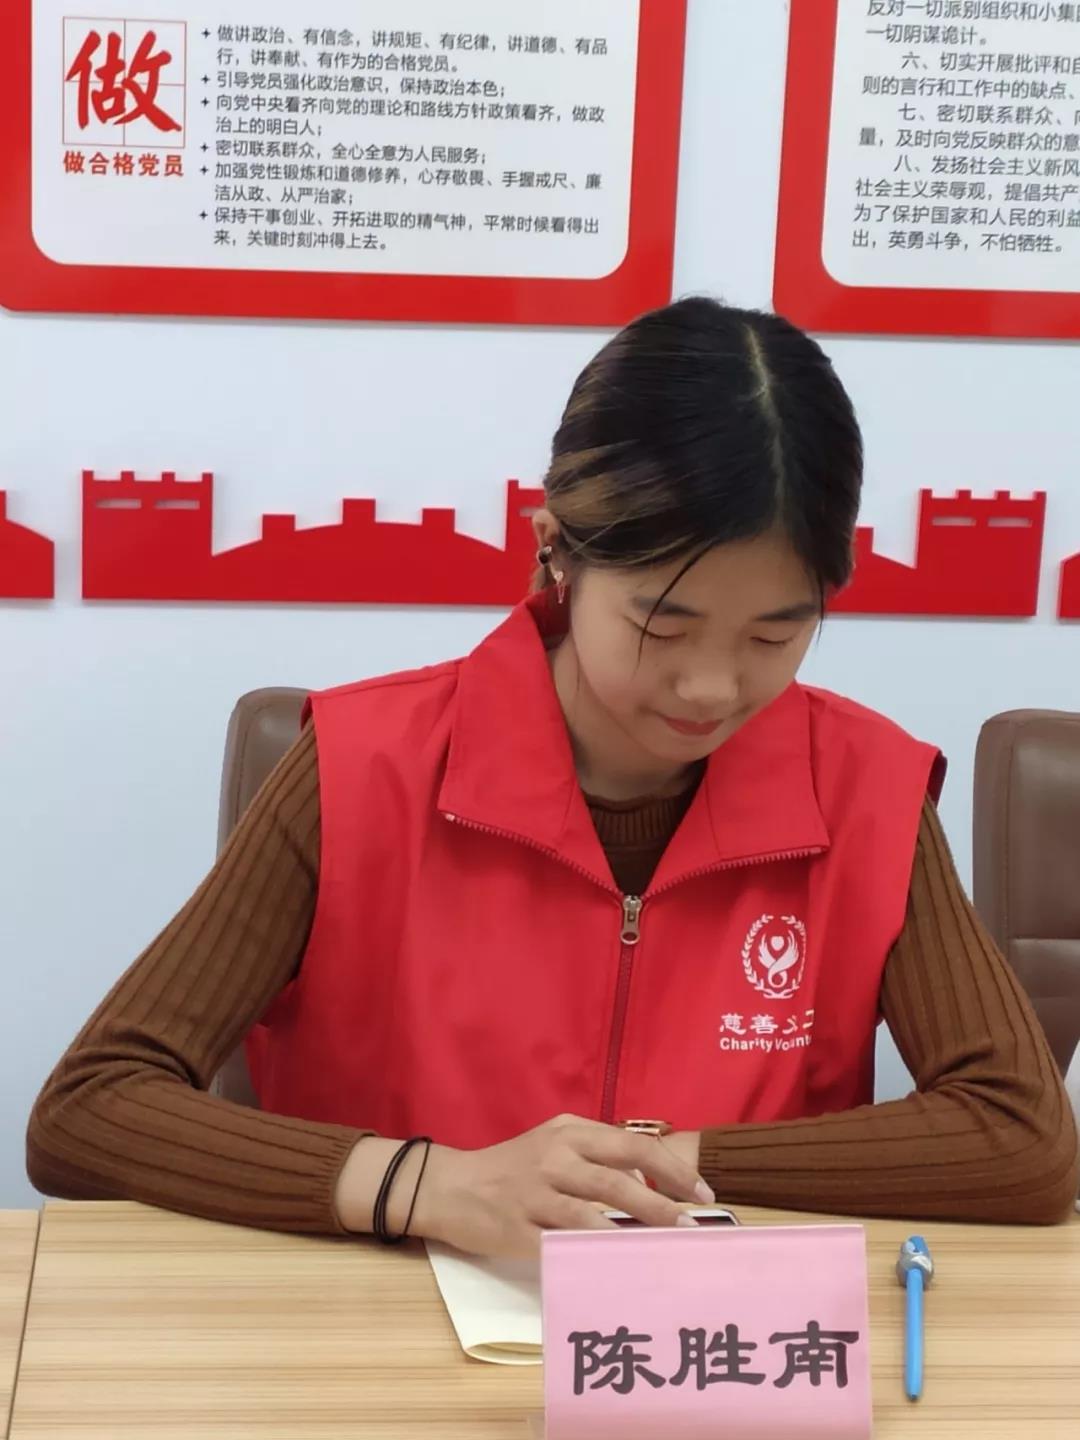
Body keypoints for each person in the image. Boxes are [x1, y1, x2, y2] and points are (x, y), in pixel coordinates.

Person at [26, 298, 1078, 1258]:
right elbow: (90, 1105)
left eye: (774, 633)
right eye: (662, 622)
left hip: (707, 1350)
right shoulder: (363, 764)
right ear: (557, 555)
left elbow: (1023, 1138)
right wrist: (424, 1182)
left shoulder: (864, 790)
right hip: (375, 1335)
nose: (712, 686)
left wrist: (656, 1161)